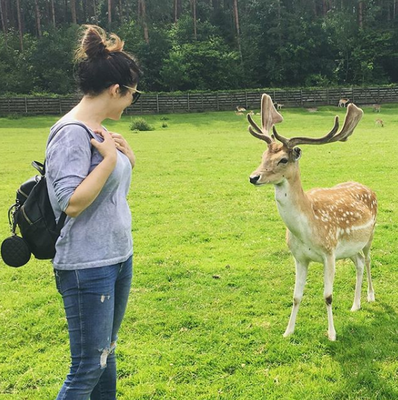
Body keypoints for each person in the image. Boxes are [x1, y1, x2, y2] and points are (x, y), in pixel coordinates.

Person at [46, 25, 141, 400]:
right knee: (87, 367)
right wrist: (109, 162)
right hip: (87, 265)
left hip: (116, 255)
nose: (132, 102)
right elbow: (69, 202)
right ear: (116, 90)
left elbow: (109, 195)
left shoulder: (97, 129)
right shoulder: (70, 132)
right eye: (133, 94)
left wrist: (126, 160)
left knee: (106, 353)